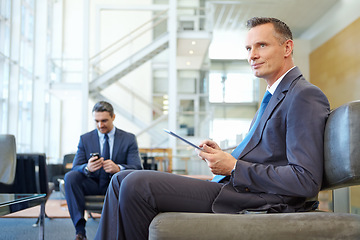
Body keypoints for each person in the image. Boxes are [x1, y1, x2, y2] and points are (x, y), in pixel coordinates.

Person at [94, 17, 330, 240]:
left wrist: (235, 166)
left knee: (136, 184)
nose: (253, 55)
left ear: (287, 48)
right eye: (248, 49)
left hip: (259, 198)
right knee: (120, 179)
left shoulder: (303, 95)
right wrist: (224, 156)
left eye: (262, 45)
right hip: (239, 187)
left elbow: (305, 179)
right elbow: (266, 153)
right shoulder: (274, 95)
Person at [64, 101, 143, 240]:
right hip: (92, 184)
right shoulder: (85, 139)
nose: (100, 125)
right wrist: (87, 168)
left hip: (115, 186)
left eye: (104, 120)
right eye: (97, 121)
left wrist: (118, 168)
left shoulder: (128, 139)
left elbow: (137, 167)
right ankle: (80, 231)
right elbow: (76, 166)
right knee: (70, 177)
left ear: (113, 117)